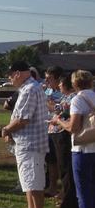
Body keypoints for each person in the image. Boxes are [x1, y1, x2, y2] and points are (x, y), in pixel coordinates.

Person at [2, 61, 50, 208]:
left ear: (18, 73)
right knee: (27, 180)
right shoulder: (27, 88)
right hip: (25, 142)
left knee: (34, 180)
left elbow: (23, 118)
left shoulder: (30, 89)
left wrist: (7, 129)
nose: (9, 78)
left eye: (10, 74)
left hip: (31, 142)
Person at [52, 70, 95, 208]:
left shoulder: (78, 99)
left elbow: (74, 127)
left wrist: (59, 121)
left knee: (83, 191)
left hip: (83, 150)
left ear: (75, 83)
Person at [43, 66, 64, 198]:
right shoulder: (47, 91)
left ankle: (64, 189)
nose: (46, 81)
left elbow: (61, 109)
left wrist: (51, 106)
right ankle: (52, 187)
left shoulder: (65, 91)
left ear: (57, 78)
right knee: (50, 160)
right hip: (48, 129)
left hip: (61, 130)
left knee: (62, 161)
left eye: (49, 78)